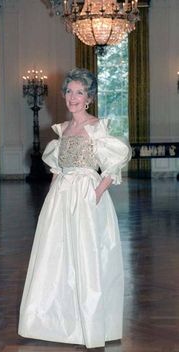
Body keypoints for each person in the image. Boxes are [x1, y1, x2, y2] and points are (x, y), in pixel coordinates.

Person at [18, 68, 132, 349]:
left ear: (89, 98)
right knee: (56, 256)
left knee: (87, 257)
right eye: (69, 91)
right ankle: (58, 322)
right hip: (61, 198)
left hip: (86, 196)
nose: (73, 97)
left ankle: (91, 325)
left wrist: (95, 195)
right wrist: (53, 198)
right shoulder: (62, 130)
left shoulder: (97, 127)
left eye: (79, 92)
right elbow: (57, 169)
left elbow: (113, 165)